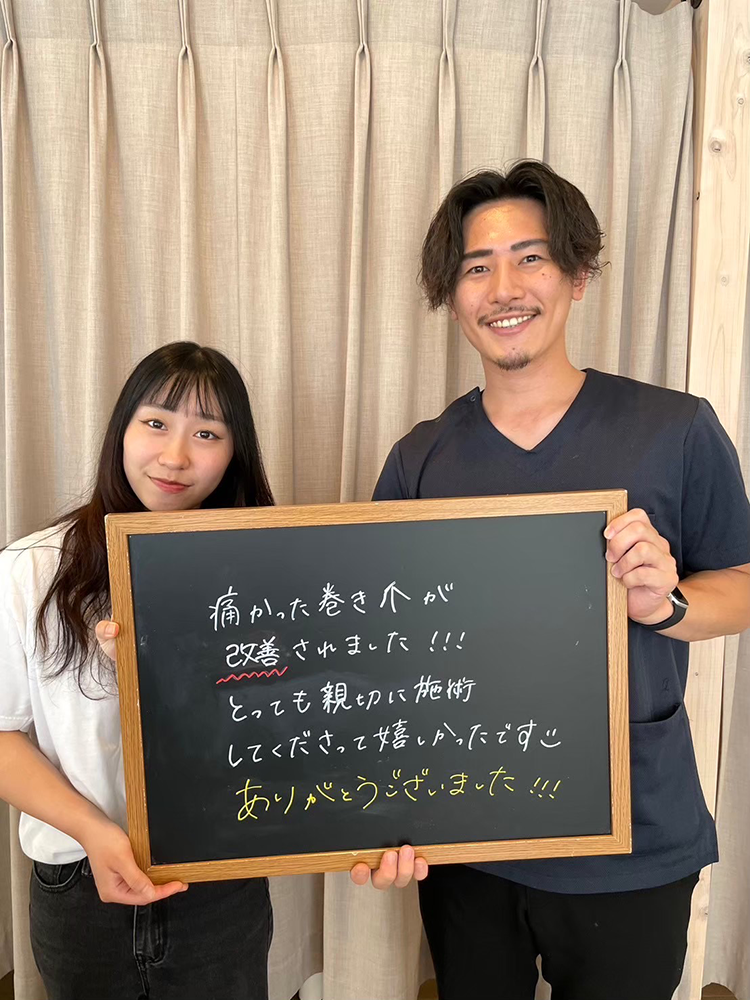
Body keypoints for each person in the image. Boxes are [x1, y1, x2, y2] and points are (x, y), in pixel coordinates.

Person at [350, 161, 750, 998]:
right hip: (469, 837)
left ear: (578, 274)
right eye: (476, 267)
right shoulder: (420, 458)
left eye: (530, 258)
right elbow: (381, 658)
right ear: (451, 295)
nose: (504, 288)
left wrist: (669, 603)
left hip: (633, 836)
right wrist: (378, 814)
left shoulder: (674, 429)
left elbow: (742, 582)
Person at [0, 342, 275, 1000]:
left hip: (219, 883)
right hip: (76, 882)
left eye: (206, 434)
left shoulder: (267, 574)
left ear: (233, 454)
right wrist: (94, 834)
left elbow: (291, 731)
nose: (175, 456)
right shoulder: (33, 570)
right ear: (120, 430)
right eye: (155, 423)